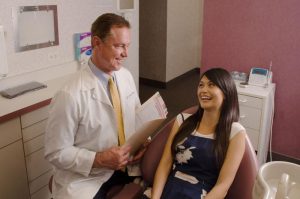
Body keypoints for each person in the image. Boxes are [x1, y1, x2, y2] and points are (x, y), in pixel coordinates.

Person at [45, 13, 143, 199]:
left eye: (127, 45)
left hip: (126, 165)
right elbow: (55, 152)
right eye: (119, 46)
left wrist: (143, 141)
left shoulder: (125, 76)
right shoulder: (70, 95)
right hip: (86, 176)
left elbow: (137, 116)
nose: (126, 53)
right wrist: (98, 159)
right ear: (96, 43)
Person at [146, 68, 246, 199]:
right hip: (170, 189)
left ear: (226, 93)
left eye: (211, 85)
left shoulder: (235, 132)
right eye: (201, 85)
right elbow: (165, 164)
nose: (204, 90)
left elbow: (223, 186)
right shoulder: (182, 120)